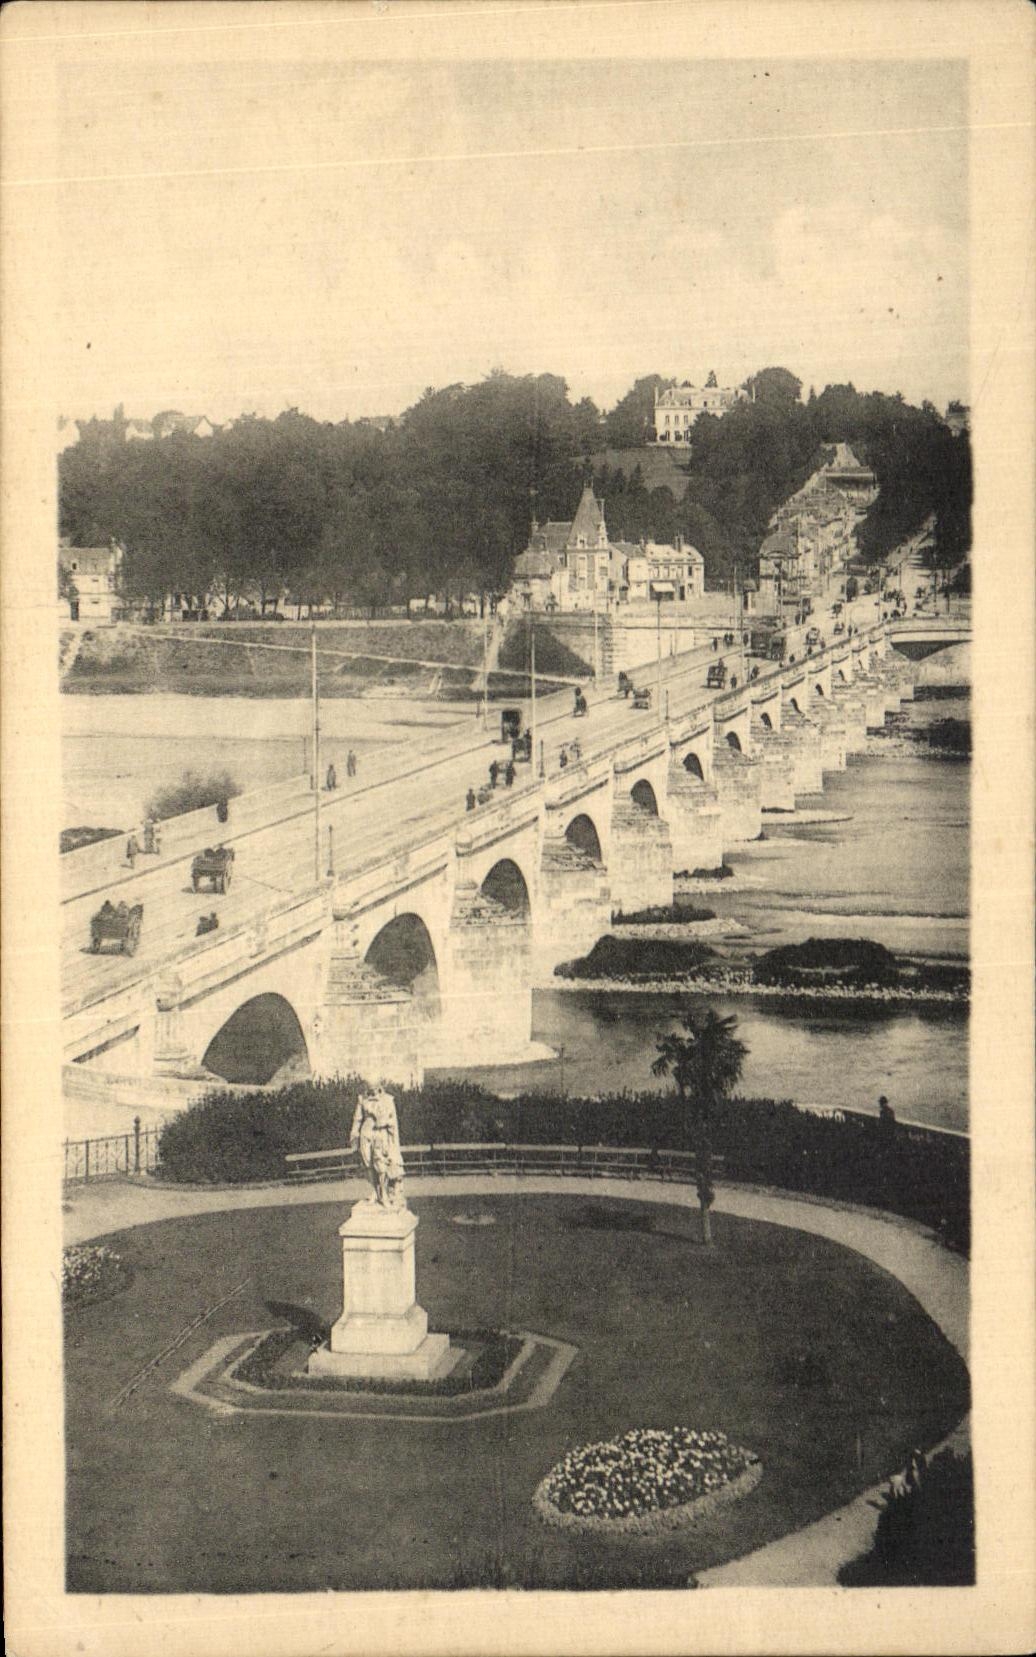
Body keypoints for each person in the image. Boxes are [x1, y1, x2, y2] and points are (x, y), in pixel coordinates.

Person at [348, 1087, 406, 1209]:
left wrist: (393, 1142)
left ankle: (384, 1194)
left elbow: (393, 1122)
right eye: (369, 1087)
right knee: (368, 1165)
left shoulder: (388, 1100)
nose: (371, 1090)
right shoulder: (362, 1099)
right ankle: (375, 1191)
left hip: (380, 1135)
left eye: (373, 1087)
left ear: (379, 1086)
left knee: (381, 1166)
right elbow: (357, 1119)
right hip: (365, 1134)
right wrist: (354, 1134)